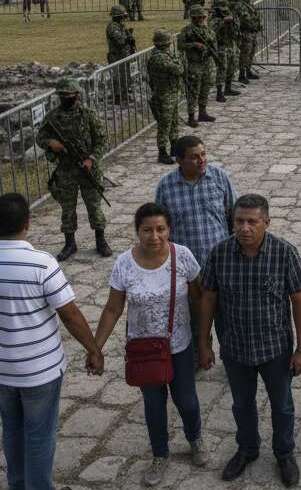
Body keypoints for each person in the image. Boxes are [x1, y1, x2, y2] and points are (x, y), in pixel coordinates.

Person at [0, 193, 103, 490]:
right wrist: (93, 348)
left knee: (12, 430)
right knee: (39, 435)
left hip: (0, 368)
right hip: (39, 370)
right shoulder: (41, 263)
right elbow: (70, 314)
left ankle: (18, 484)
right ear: (27, 222)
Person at [198, 195, 301, 487]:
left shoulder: (284, 253)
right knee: (242, 404)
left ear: (266, 223)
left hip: (275, 348)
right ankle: (247, 449)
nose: (245, 228)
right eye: (239, 221)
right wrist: (204, 342)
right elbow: (208, 297)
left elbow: (299, 301)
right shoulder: (219, 253)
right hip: (235, 348)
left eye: (252, 222)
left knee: (282, 405)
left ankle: (284, 453)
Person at [95, 203, 207, 485]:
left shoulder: (182, 257)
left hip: (179, 345)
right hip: (144, 350)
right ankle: (160, 454)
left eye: (160, 229)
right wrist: (95, 347)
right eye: (147, 230)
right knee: (154, 405)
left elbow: (200, 298)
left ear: (169, 230)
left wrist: (205, 340)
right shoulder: (124, 263)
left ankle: (195, 439)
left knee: (188, 401)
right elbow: (112, 309)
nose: (154, 236)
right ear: (137, 232)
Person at [38, 77, 111, 261]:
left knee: (94, 206)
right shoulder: (53, 117)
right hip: (65, 170)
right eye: (61, 95)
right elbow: (40, 137)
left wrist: (91, 159)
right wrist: (51, 143)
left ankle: (100, 240)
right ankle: (70, 243)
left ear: (77, 95)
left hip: (88, 169)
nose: (65, 98)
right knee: (67, 208)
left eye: (68, 95)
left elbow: (102, 140)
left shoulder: (88, 115)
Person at [155, 135, 237, 266]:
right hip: (183, 263)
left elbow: (234, 213)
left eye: (203, 154)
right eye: (194, 157)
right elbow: (159, 225)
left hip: (219, 258)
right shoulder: (165, 187)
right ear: (179, 160)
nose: (202, 160)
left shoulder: (220, 177)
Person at [147, 29, 185, 165]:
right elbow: (178, 69)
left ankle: (174, 147)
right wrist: (179, 62)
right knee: (164, 125)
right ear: (165, 43)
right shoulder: (159, 57)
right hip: (164, 95)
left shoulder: (165, 54)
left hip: (171, 93)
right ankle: (162, 152)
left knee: (174, 121)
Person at [177, 7, 219, 126]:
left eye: (203, 17)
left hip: (207, 64)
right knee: (193, 91)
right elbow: (180, 45)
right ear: (193, 18)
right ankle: (191, 116)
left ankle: (202, 113)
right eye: (199, 17)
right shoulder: (187, 31)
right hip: (194, 65)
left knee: (205, 89)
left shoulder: (208, 30)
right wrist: (194, 44)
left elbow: (213, 42)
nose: (201, 19)